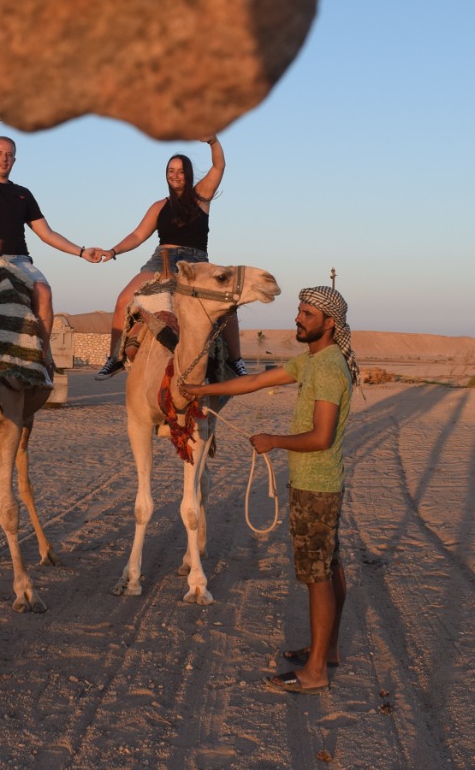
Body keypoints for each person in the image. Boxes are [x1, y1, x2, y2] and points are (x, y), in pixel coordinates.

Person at [182, 286, 360, 694]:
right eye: (299, 311)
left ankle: (315, 672)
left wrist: (274, 440)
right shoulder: (311, 361)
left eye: (308, 314)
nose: (298, 318)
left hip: (317, 485)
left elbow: (321, 437)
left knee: (317, 576)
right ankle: (327, 650)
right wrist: (200, 391)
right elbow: (258, 381)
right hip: (315, 483)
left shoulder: (330, 367)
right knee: (328, 566)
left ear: (330, 323)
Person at [0, 108, 105, 371]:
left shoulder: (23, 194)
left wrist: (82, 251)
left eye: (9, 155)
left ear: (14, 161)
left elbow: (46, 233)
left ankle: (43, 357)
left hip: (17, 260)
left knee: (43, 291)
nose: (4, 159)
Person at [95, 137, 246, 379]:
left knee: (228, 303)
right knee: (123, 299)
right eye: (170, 171)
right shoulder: (159, 206)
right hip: (161, 260)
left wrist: (213, 141)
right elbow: (138, 235)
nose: (175, 175)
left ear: (188, 174)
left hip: (195, 262)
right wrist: (113, 251)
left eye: (180, 171)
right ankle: (115, 357)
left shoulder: (201, 197)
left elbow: (219, 167)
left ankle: (236, 360)